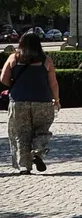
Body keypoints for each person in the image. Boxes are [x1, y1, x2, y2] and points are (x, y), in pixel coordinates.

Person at [1, 32, 60, 173]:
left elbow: (3, 78)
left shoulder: (13, 58)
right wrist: (56, 100)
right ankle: (37, 152)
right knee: (43, 130)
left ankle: (24, 167)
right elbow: (53, 84)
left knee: (21, 134)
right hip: (43, 101)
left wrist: (15, 85)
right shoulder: (46, 60)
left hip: (18, 101)